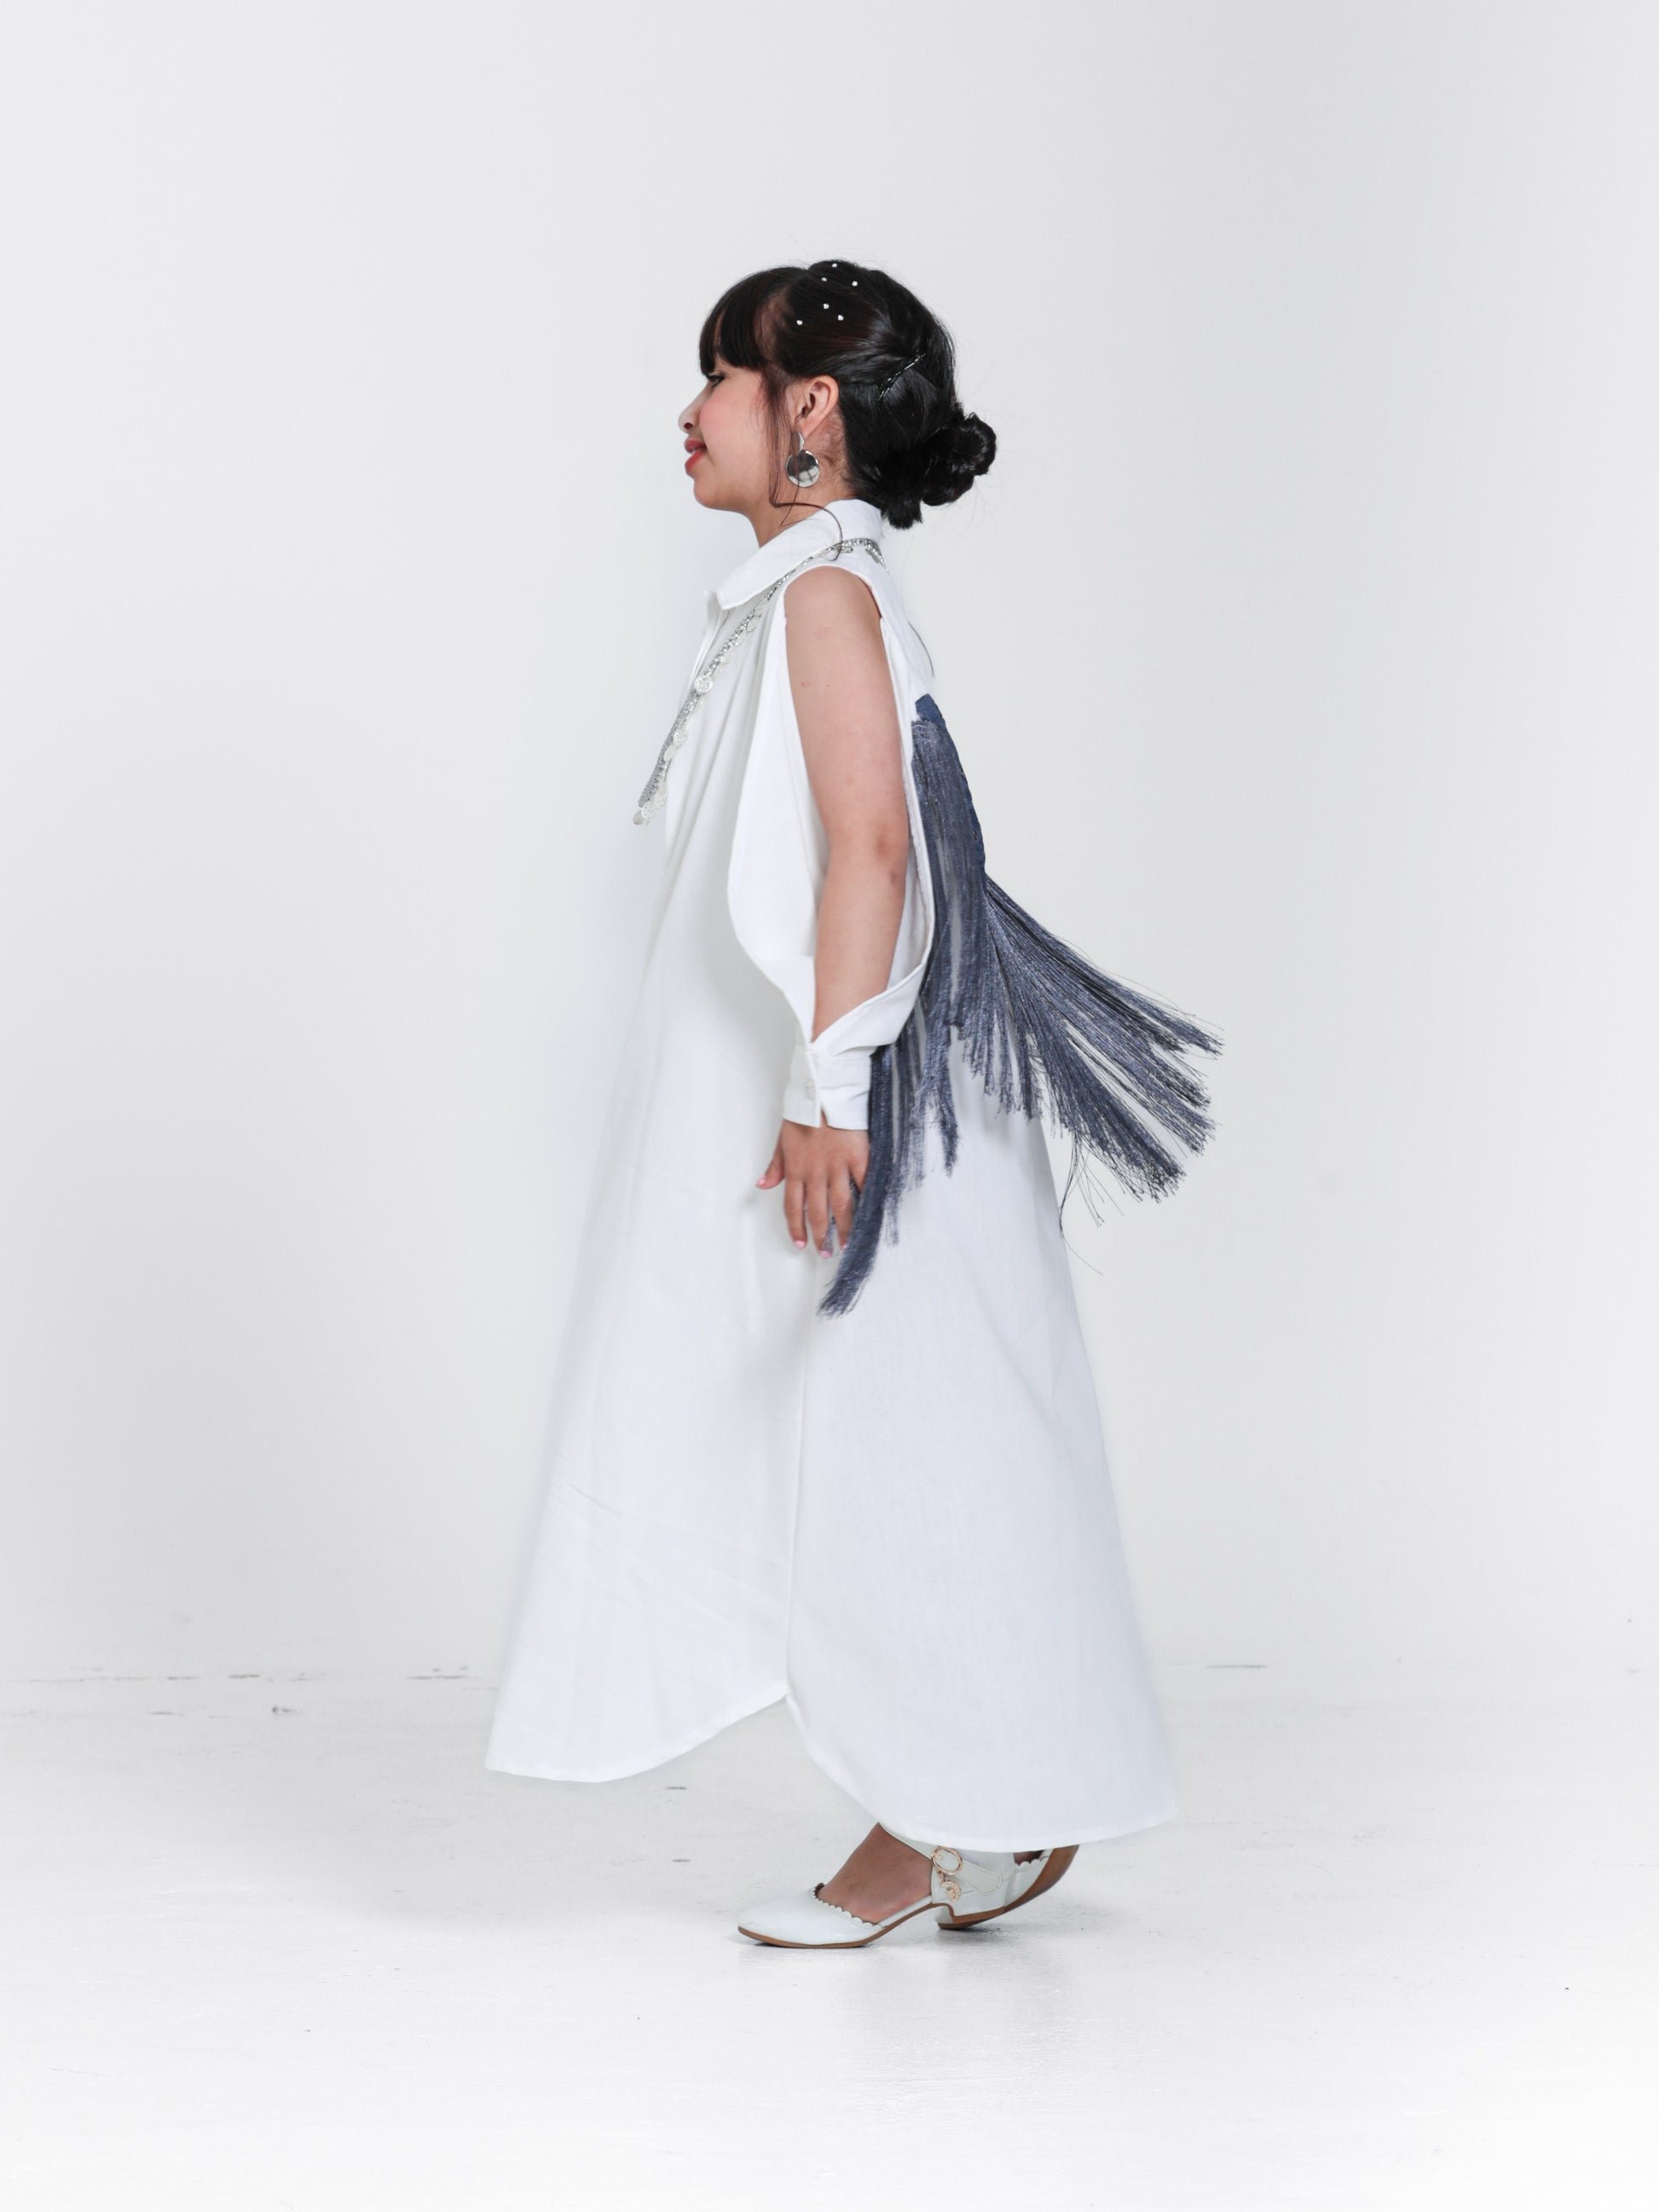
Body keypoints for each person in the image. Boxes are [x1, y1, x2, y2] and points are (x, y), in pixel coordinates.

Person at [484, 259, 1215, 1949]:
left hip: (869, 1092)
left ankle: (943, 1814)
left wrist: (831, 1089)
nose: (691, 411)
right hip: (882, 1077)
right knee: (898, 1426)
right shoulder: (820, 587)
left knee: (899, 1434)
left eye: (722, 377)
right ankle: (973, 1798)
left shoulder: (824, 594)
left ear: (808, 409)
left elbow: (870, 843)